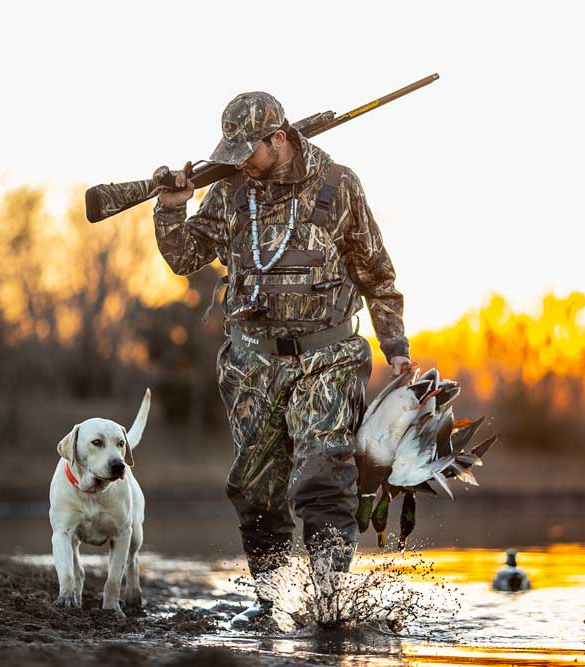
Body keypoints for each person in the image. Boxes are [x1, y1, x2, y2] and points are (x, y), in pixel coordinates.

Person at [152, 91, 410, 628]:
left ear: (279, 139)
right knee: (254, 487)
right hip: (251, 364)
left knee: (323, 476)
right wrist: (170, 209)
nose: (241, 159)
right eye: (233, 151)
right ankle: (269, 604)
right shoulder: (228, 192)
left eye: (251, 149)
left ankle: (331, 602)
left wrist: (397, 349)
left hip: (328, 356)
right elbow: (185, 258)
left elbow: (377, 277)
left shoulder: (339, 185)